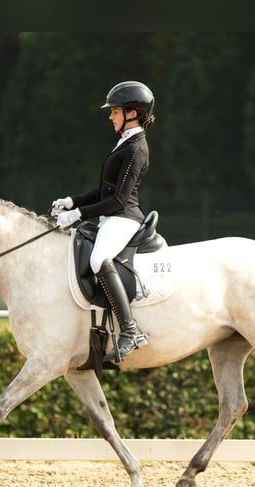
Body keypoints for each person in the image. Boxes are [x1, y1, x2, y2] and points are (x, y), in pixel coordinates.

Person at [52, 80, 155, 362]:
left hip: (123, 217)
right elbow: (104, 190)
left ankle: (131, 330)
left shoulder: (136, 148)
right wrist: (72, 201)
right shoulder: (125, 141)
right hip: (112, 215)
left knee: (99, 260)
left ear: (132, 113)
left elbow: (118, 200)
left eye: (115, 111)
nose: (110, 116)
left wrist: (77, 215)